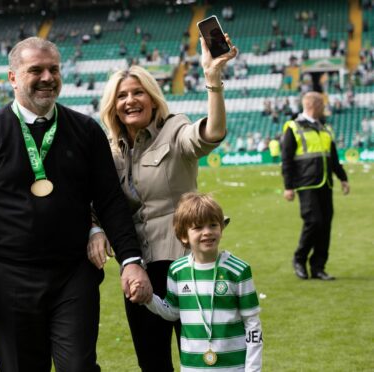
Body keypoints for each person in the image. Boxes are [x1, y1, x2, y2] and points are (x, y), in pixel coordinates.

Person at [0, 36, 152, 371]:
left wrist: (131, 260)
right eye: (36, 70)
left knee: (79, 367)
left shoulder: (85, 130)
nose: (47, 77)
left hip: (72, 275)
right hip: (6, 277)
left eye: (53, 69)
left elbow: (110, 201)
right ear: (12, 78)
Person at [88, 33, 237, 371]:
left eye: (138, 92)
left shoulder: (175, 129)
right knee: (152, 362)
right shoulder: (109, 153)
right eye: (122, 95)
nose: (130, 100)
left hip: (187, 265)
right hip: (139, 269)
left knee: (203, 360)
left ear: (153, 98)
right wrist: (94, 229)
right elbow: (94, 204)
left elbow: (210, 134)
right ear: (112, 106)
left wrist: (213, 81)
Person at [143, 192, 263, 371]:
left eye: (213, 225)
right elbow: (172, 311)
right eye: (198, 227)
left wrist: (253, 369)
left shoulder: (238, 270)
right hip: (192, 368)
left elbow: (253, 324)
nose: (207, 232)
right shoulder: (177, 271)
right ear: (184, 235)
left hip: (234, 367)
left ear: (221, 228)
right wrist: (149, 299)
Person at [282, 91, 350, 281]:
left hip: (325, 183)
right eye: (322, 105)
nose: (324, 109)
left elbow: (333, 157)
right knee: (314, 222)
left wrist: (343, 178)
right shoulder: (293, 127)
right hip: (306, 184)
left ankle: (318, 267)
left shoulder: (325, 129)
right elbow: (286, 159)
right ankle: (299, 259)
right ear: (314, 105)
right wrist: (288, 186)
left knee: (325, 224)